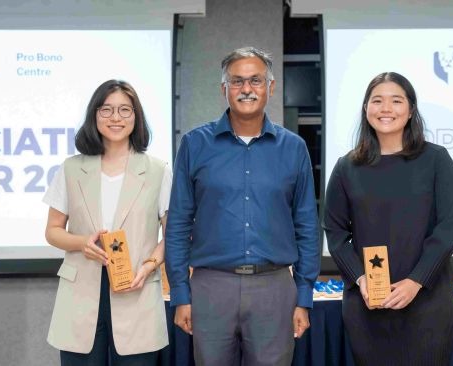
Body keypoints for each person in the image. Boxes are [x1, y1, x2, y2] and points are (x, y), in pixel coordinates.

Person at [165, 47, 320, 366]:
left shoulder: (294, 148)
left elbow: (307, 225)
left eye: (256, 80)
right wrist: (181, 293)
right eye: (237, 81)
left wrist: (303, 295)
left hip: (274, 288)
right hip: (211, 287)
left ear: (271, 87)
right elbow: (178, 224)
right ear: (224, 89)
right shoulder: (195, 144)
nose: (246, 89)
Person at [323, 72, 453, 365]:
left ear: (411, 109)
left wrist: (416, 281)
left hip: (427, 303)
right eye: (377, 101)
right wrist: (359, 277)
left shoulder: (436, 160)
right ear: (366, 109)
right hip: (368, 305)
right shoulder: (346, 167)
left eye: (396, 100)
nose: (386, 108)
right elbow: (335, 231)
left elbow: (449, 227)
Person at [43, 79, 171, 365]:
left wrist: (149, 266)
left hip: (136, 288)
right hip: (81, 293)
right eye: (107, 110)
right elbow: (52, 231)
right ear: (94, 115)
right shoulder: (71, 168)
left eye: (125, 110)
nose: (116, 118)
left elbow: (172, 235)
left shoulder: (157, 171)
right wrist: (81, 243)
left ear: (136, 117)